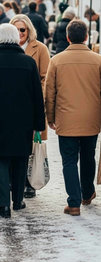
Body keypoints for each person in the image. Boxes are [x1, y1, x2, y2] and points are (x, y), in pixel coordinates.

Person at [0, 24, 45, 218]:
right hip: (23, 121)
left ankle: (3, 205)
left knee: (0, 161)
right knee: (20, 159)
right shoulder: (28, 62)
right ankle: (18, 200)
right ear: (16, 40)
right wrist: (39, 124)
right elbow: (38, 96)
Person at [45, 20, 101, 216]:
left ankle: (74, 202)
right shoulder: (98, 60)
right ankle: (87, 193)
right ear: (86, 37)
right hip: (91, 119)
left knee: (69, 160)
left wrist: (50, 117)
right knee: (88, 157)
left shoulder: (57, 60)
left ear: (67, 37)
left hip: (66, 118)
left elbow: (49, 92)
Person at [10, 14, 50, 198]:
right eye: (16, 30)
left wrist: (36, 96)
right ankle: (14, 180)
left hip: (31, 105)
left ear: (29, 30)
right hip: (9, 104)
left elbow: (45, 78)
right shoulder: (4, 48)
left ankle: (28, 182)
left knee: (30, 145)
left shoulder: (40, 49)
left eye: (23, 30)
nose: (19, 33)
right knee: (11, 143)